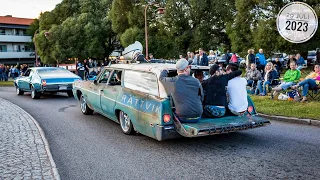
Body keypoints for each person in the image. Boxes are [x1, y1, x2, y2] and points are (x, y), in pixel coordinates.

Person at [159, 58, 203, 123]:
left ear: (177, 70)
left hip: (183, 118)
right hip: (198, 116)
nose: (189, 68)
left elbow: (161, 78)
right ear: (186, 68)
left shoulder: (172, 81)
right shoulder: (196, 81)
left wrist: (165, 70)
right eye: (189, 67)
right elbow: (202, 97)